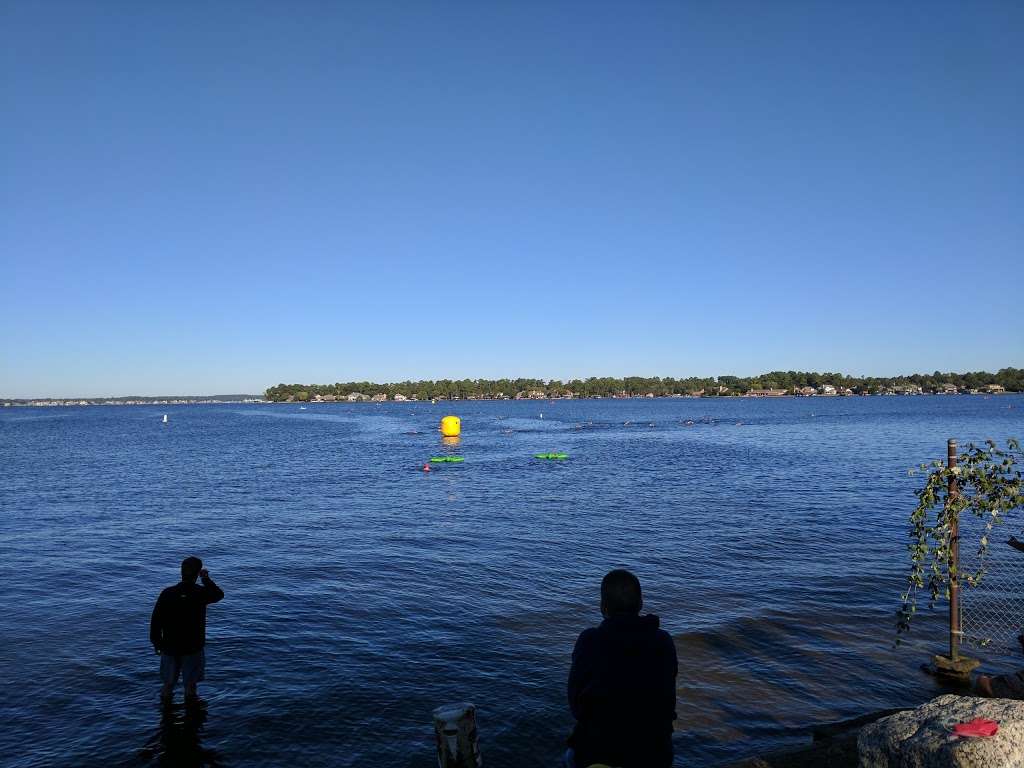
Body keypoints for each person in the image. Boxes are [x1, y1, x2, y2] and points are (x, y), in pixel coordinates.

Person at [565, 569, 678, 768]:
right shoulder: (663, 641)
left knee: (569, 757)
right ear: (641, 603)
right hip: (654, 751)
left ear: (603, 607)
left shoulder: (589, 640)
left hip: (598, 751)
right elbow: (668, 696)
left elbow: (575, 703)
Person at [150, 556, 224, 702]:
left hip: (169, 647)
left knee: (168, 686)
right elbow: (219, 595)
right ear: (197, 574)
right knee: (190, 688)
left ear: (181, 572)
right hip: (192, 648)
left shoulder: (167, 593)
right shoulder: (200, 593)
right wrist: (206, 578)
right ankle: (192, 720)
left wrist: (157, 644)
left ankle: (166, 717)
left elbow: (156, 621)